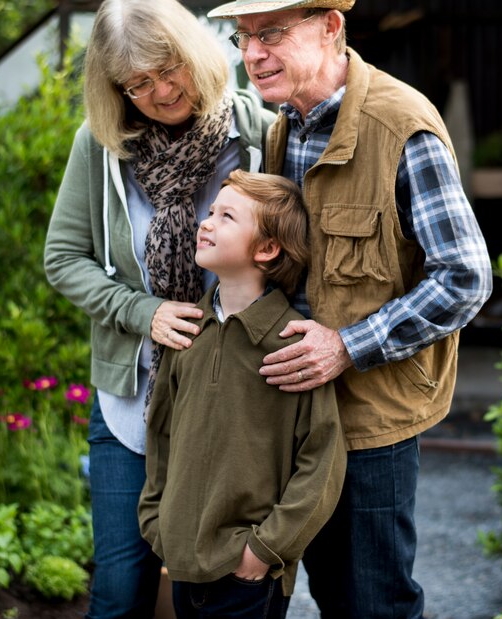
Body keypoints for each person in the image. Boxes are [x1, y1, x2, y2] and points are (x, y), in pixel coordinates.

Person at [207, 1, 494, 617]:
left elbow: (465, 277)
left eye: (273, 34)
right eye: (244, 37)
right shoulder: (287, 124)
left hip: (369, 420)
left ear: (332, 28)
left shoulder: (400, 123)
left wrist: (347, 344)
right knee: (296, 590)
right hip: (291, 412)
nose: (252, 53)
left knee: (370, 603)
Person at [43, 0, 275, 615]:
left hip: (231, 404)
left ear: (194, 53)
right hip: (132, 399)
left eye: (167, 69)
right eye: (136, 84)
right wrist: (143, 312)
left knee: (224, 590)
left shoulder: (255, 135)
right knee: (120, 591)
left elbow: (289, 256)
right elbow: (64, 257)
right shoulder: (100, 146)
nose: (159, 92)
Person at [138, 169, 347, 619]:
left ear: (267, 249)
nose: (206, 222)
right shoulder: (188, 331)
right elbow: (160, 436)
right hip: (183, 560)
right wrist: (158, 523)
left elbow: (322, 459)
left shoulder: (294, 345)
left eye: (226, 216)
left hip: (249, 572)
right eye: (211, 212)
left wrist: (267, 548)